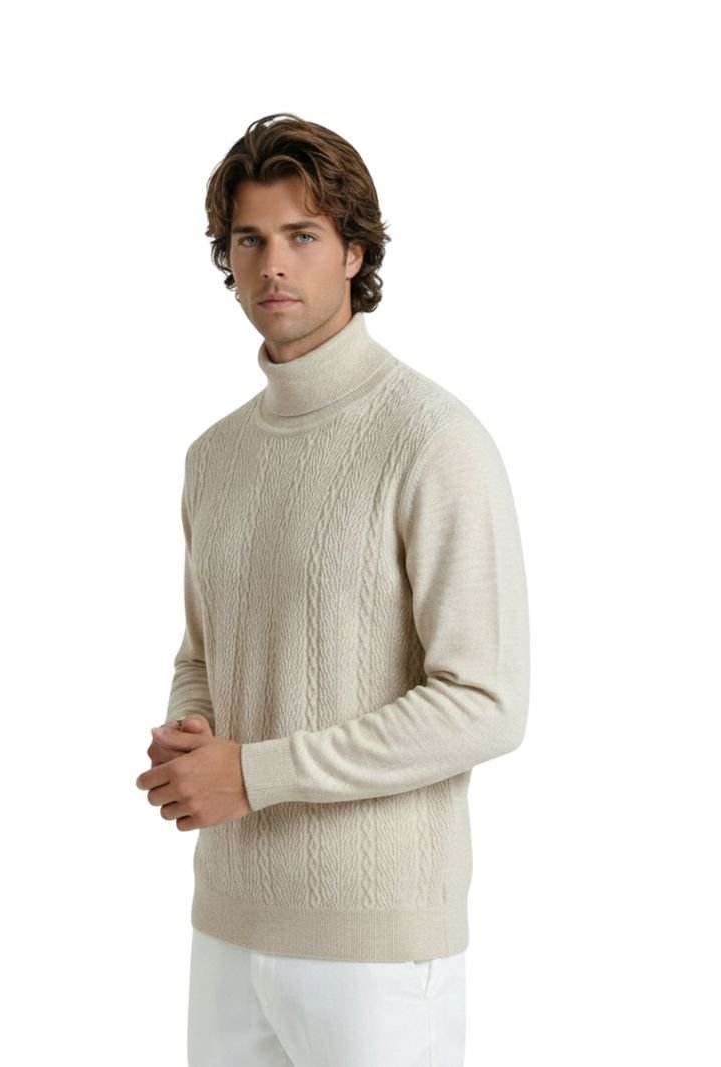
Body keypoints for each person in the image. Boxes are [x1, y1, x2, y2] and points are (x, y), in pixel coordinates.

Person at [135, 112, 530, 1067]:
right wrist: (193, 732)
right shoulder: (214, 456)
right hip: (228, 922)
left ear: (355, 252)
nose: (273, 264)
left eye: (302, 235)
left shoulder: (431, 440)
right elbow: (203, 649)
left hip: (376, 947)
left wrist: (252, 774)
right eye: (249, 239)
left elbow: (486, 702)